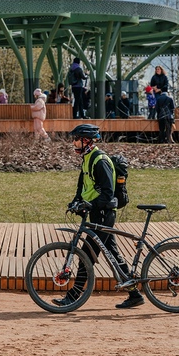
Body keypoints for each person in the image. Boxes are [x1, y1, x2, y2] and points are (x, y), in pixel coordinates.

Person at [52, 123, 144, 309]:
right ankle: (134, 294)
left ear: (86, 140)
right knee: (111, 252)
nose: (74, 143)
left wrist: (90, 205)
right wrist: (76, 202)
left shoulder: (100, 161)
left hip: (103, 213)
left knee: (86, 254)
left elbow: (107, 193)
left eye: (76, 139)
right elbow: (83, 186)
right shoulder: (87, 158)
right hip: (96, 212)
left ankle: (73, 296)